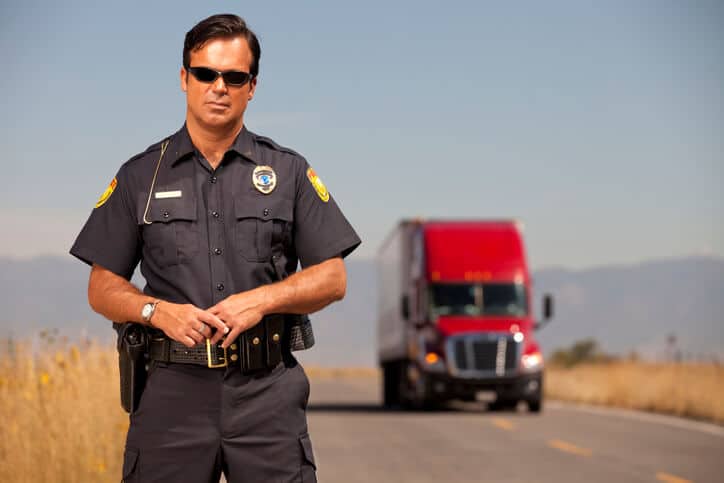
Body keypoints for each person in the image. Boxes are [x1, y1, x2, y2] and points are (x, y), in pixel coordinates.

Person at [69, 13, 360, 483]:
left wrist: (259, 302)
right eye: (205, 73)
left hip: (267, 398)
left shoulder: (287, 172)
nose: (218, 86)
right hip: (171, 399)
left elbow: (333, 277)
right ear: (184, 79)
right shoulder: (140, 176)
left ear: (252, 86)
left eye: (234, 76)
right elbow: (101, 288)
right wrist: (156, 312)